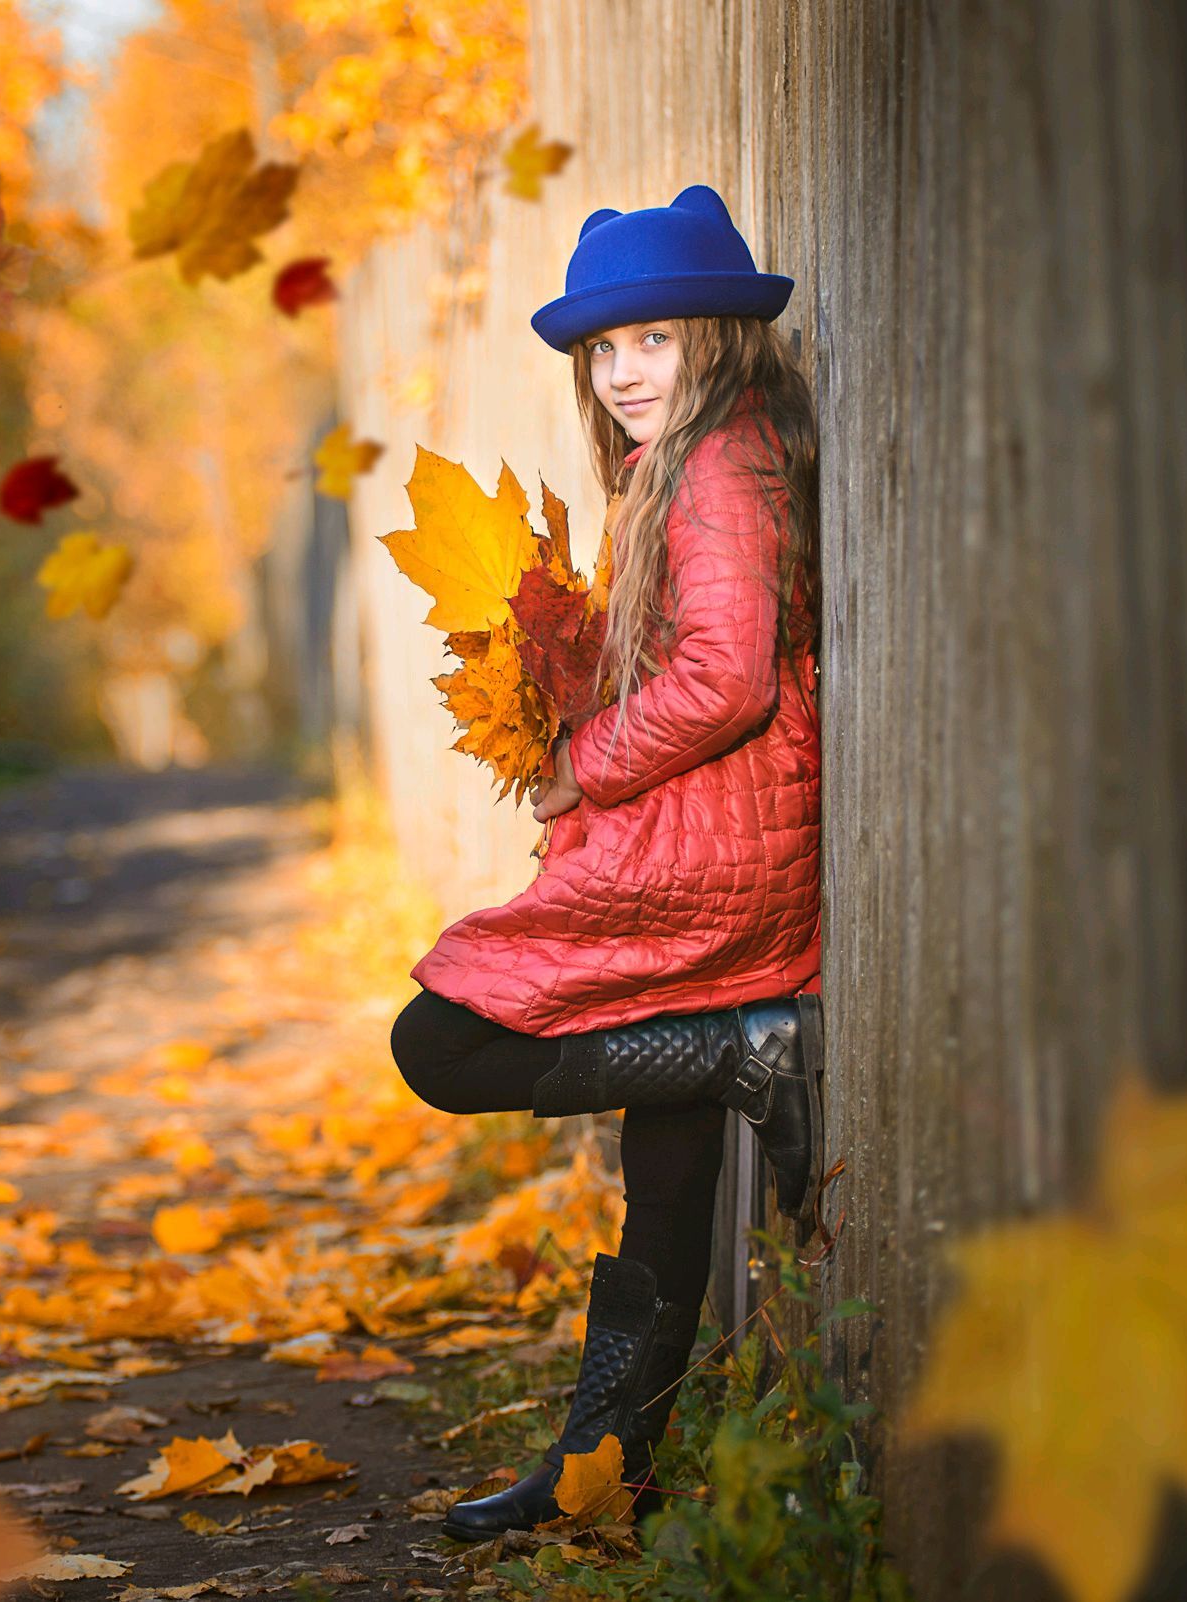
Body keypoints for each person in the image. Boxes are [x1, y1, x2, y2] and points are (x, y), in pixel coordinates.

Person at [387, 182, 827, 1543]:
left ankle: (748, 1049)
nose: (625, 371)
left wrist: (585, 762)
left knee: (439, 1041)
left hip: (726, 829)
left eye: (655, 338)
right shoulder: (686, 461)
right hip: (717, 818)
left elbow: (727, 677)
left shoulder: (723, 462)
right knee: (671, 1169)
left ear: (721, 338)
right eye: (605, 349)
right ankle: (605, 1472)